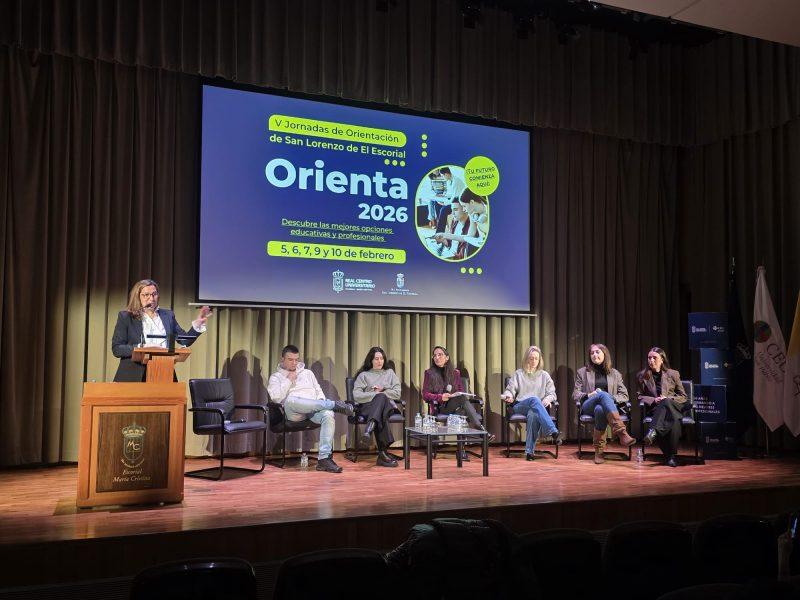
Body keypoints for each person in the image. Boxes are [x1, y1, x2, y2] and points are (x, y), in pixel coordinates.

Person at [267, 345, 354, 473]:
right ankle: (334, 405)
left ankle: (324, 459)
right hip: (294, 413)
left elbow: (318, 391)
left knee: (328, 414)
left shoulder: (307, 373)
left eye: (296, 359)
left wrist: (321, 401)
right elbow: (275, 398)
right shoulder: (276, 377)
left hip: (312, 411)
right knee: (291, 400)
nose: (294, 363)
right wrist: (288, 380)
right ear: (283, 359)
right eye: (290, 359)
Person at [111, 279, 212, 382]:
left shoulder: (167, 315)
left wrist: (197, 324)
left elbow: (184, 341)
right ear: (137, 297)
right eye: (146, 295)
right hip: (133, 375)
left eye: (154, 294)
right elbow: (117, 349)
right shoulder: (126, 317)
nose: (151, 298)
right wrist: (141, 347)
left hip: (164, 372)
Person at [422, 346, 494, 460]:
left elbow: (460, 390)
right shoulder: (429, 373)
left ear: (447, 358)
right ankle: (481, 431)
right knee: (462, 400)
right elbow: (425, 395)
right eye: (434, 355)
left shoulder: (455, 373)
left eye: (440, 355)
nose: (437, 357)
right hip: (440, 407)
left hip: (455, 406)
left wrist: (453, 395)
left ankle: (461, 451)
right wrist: (440, 397)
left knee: (462, 409)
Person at [573, 343, 636, 464]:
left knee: (600, 409)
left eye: (597, 352)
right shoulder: (582, 372)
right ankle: (621, 432)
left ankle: (599, 451)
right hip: (588, 405)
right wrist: (589, 395)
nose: (594, 355)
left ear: (605, 354)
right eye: (592, 353)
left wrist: (609, 397)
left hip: (606, 408)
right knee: (602, 395)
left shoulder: (615, 374)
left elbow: (624, 395)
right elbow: (575, 394)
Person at [501, 345, 562, 461]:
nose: (534, 361)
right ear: (527, 359)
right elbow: (509, 390)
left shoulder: (544, 375)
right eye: (531, 358)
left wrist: (548, 399)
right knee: (534, 399)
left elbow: (552, 394)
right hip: (520, 406)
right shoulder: (519, 374)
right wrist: (508, 396)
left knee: (533, 414)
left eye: (536, 358)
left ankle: (529, 452)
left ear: (539, 360)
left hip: (537, 408)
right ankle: (552, 431)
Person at [352, 346, 403, 467]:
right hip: (367, 408)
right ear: (371, 360)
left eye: (381, 358)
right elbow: (357, 396)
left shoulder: (390, 373)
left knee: (381, 398)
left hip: (387, 407)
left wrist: (382, 392)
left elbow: (397, 393)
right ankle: (382, 453)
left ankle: (370, 428)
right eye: (376, 359)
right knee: (380, 405)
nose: (379, 361)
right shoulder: (363, 375)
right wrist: (375, 394)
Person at [637, 347, 687, 467]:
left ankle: (653, 431)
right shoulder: (642, 376)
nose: (651, 360)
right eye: (649, 358)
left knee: (666, 402)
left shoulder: (673, 374)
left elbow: (683, 396)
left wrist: (668, 399)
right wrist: (654, 400)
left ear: (662, 359)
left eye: (654, 358)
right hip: (656, 409)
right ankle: (671, 457)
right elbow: (639, 396)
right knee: (673, 422)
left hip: (673, 407)